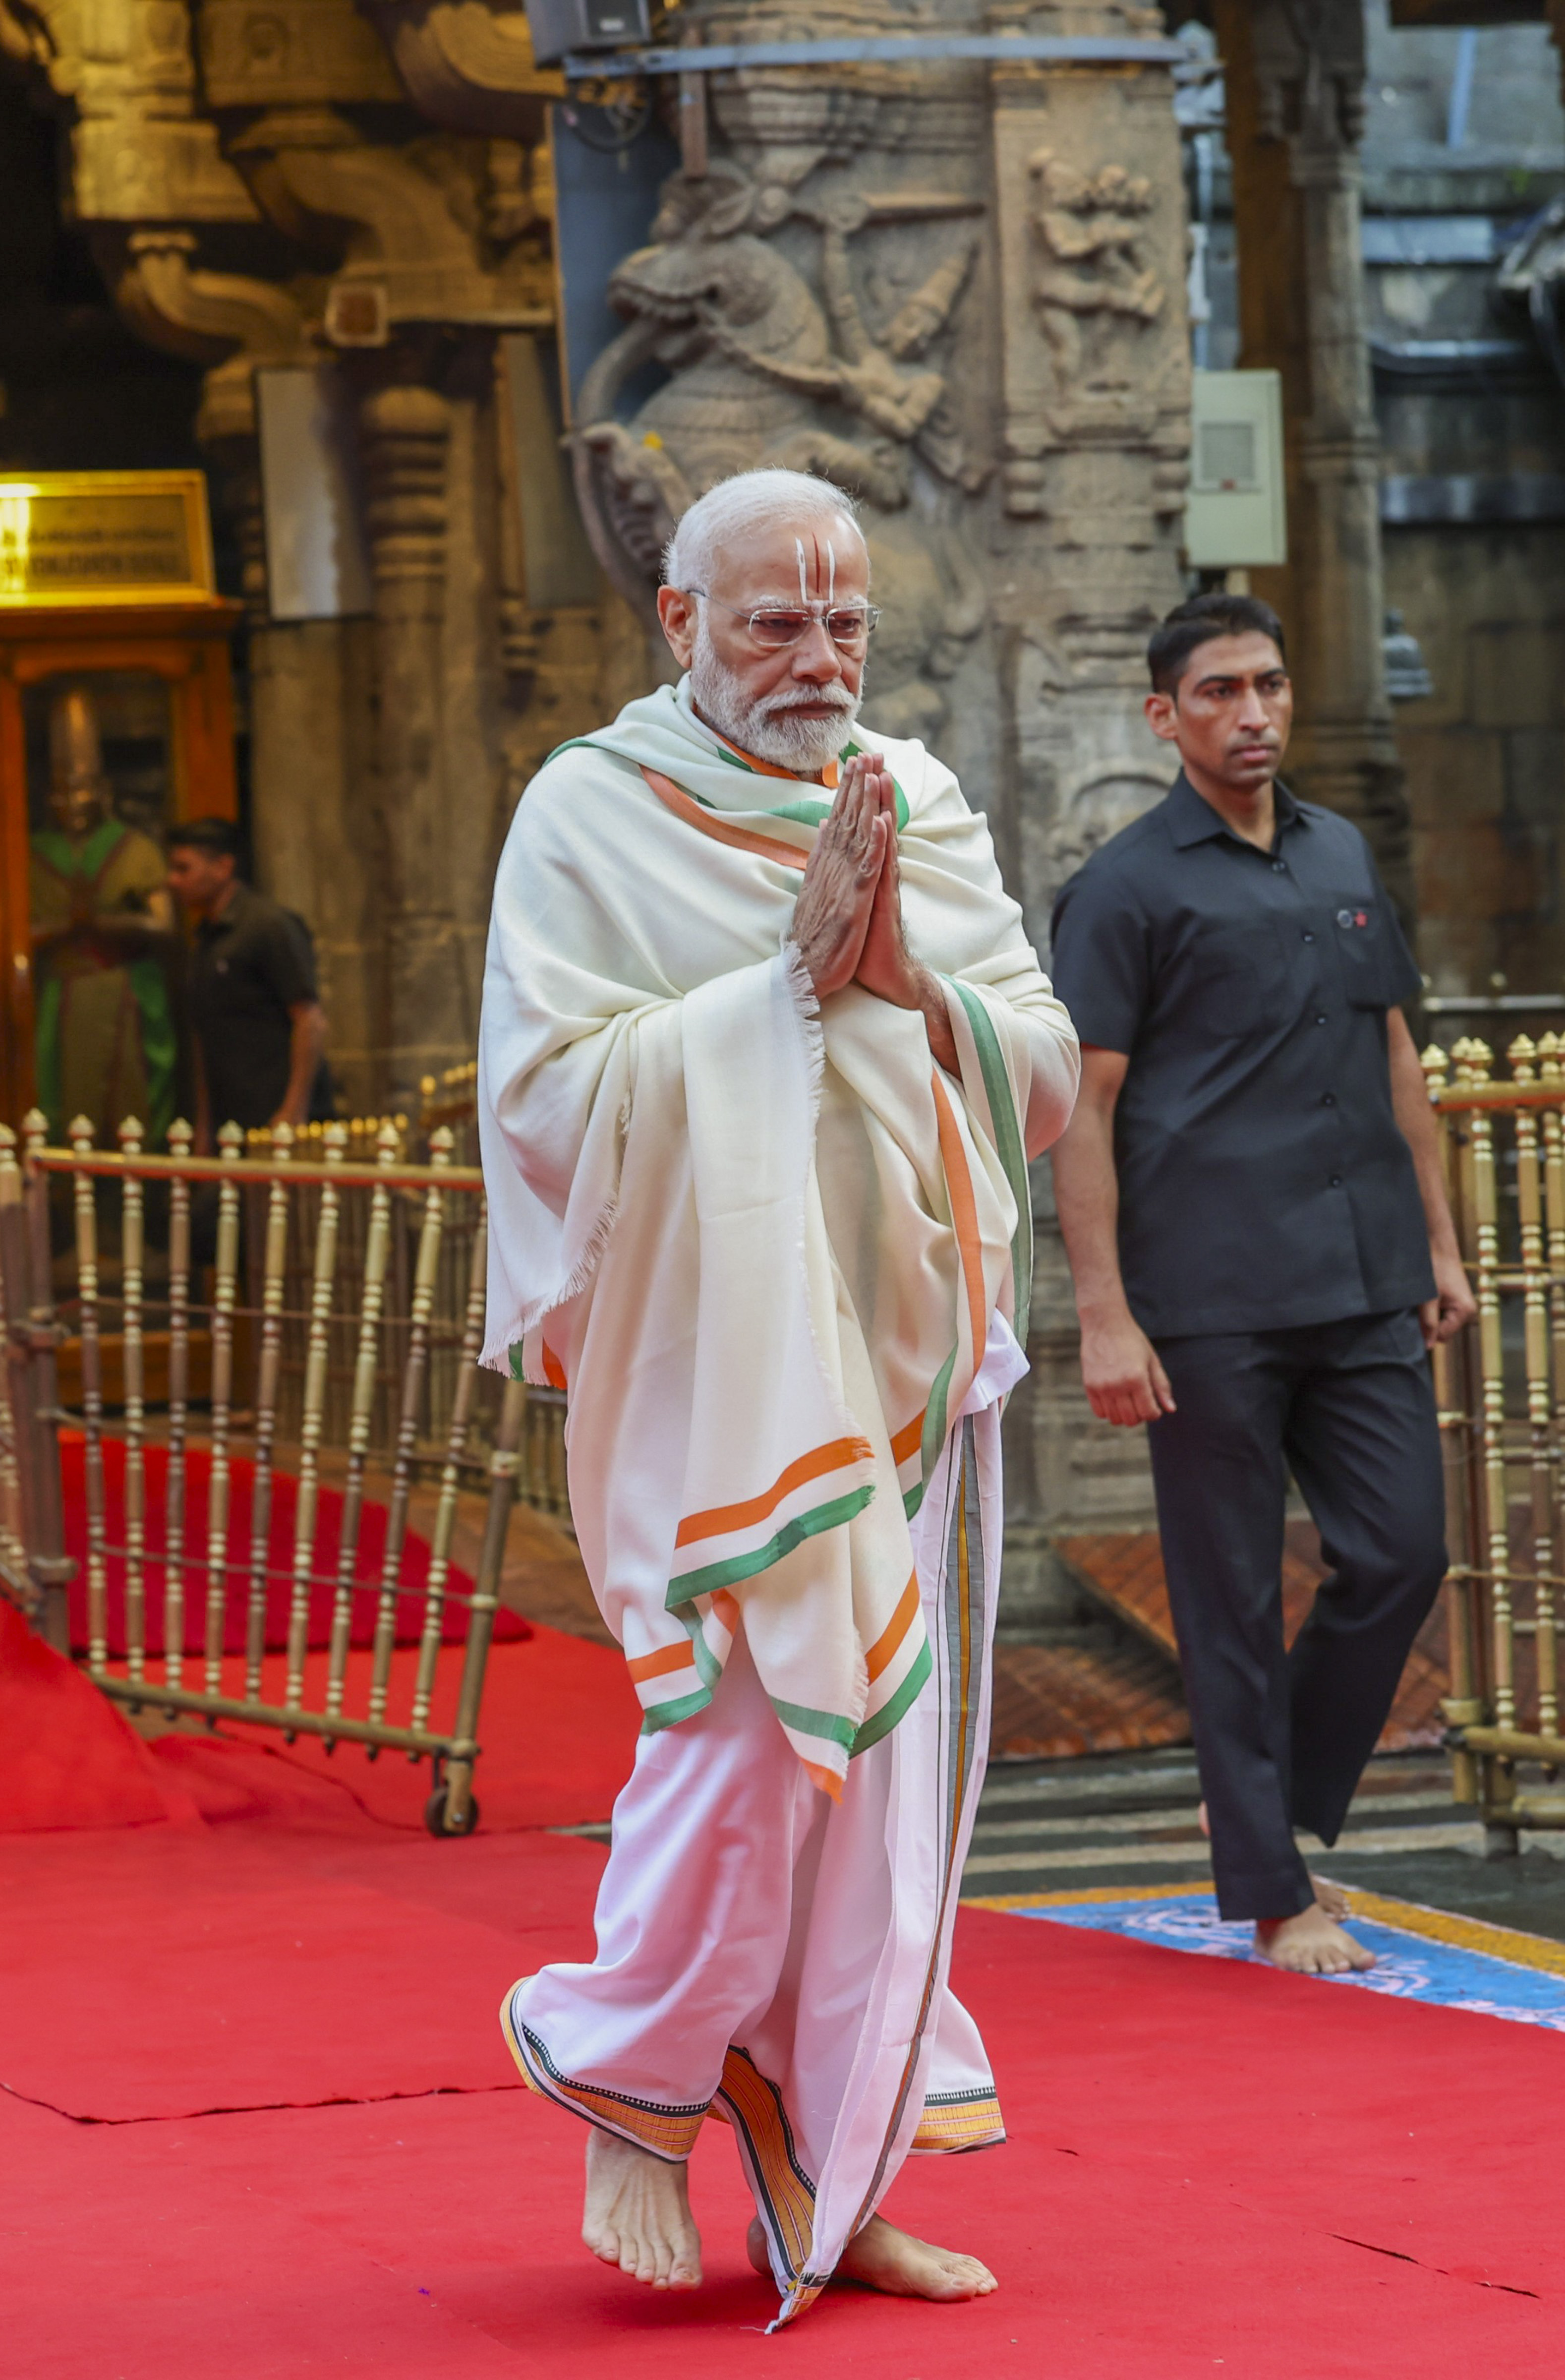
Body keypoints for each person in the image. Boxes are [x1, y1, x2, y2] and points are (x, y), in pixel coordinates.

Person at [479, 469, 1078, 2328]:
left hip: (898, 1365)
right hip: (709, 1371)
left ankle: (839, 2183)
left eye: (842, 622)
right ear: (675, 621)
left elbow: (1041, 1068)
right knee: (741, 1757)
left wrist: (902, 979)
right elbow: (544, 1101)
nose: (815, 655)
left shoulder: (915, 804)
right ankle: (638, 2066)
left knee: (886, 1803)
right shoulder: (587, 809)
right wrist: (773, 992)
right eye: (770, 620)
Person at [1048, 591, 1475, 1977]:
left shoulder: (1339, 851)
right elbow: (1083, 1109)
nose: (1252, 712)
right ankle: (1273, 1893)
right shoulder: (1121, 889)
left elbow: (1393, 1058)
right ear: (1163, 715)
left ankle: (1267, 1808)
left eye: (1269, 685)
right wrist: (1103, 1313)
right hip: (1209, 1299)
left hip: (1358, 1281)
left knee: (1401, 1551)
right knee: (1223, 1593)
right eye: (1219, 691)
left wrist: (1439, 1244)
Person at [30, 684, 177, 1144]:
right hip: (62, 991)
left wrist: (104, 924)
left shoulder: (134, 849)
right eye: (62, 790)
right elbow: (18, 933)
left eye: (83, 789)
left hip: (123, 989)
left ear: (103, 790)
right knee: (64, 1102)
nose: (73, 802)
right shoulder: (33, 853)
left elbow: (163, 924)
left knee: (130, 1101)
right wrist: (59, 929)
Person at [164, 818, 332, 1145]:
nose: (173, 881)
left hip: (275, 1116)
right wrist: (204, 1125)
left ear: (223, 867)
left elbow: (308, 1019)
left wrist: (294, 1109)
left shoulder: (267, 926)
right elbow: (205, 1036)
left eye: (184, 869)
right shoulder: (206, 938)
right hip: (231, 1121)